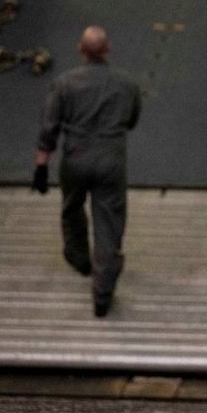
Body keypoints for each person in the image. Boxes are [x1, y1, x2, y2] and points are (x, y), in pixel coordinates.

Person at [33, 26, 142, 318]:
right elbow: (131, 120)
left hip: (75, 159)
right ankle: (102, 291)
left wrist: (41, 165)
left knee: (71, 207)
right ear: (108, 49)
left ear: (80, 49)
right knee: (108, 222)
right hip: (110, 160)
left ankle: (79, 258)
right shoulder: (126, 84)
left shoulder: (65, 83)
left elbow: (50, 125)